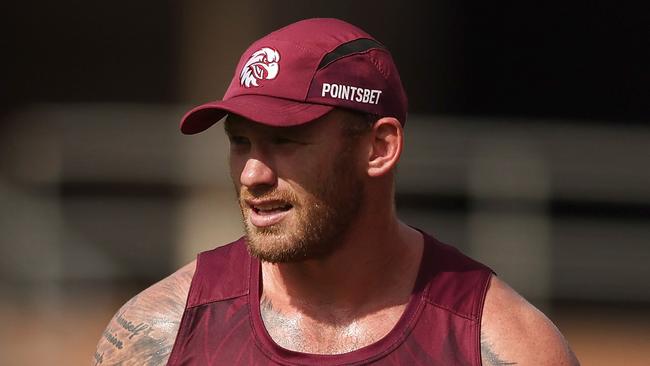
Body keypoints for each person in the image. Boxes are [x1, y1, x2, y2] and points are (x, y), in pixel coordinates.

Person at [94, 18, 580, 365]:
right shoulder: (165, 333)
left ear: (379, 147)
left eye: (286, 142)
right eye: (240, 142)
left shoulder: (498, 345)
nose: (252, 175)